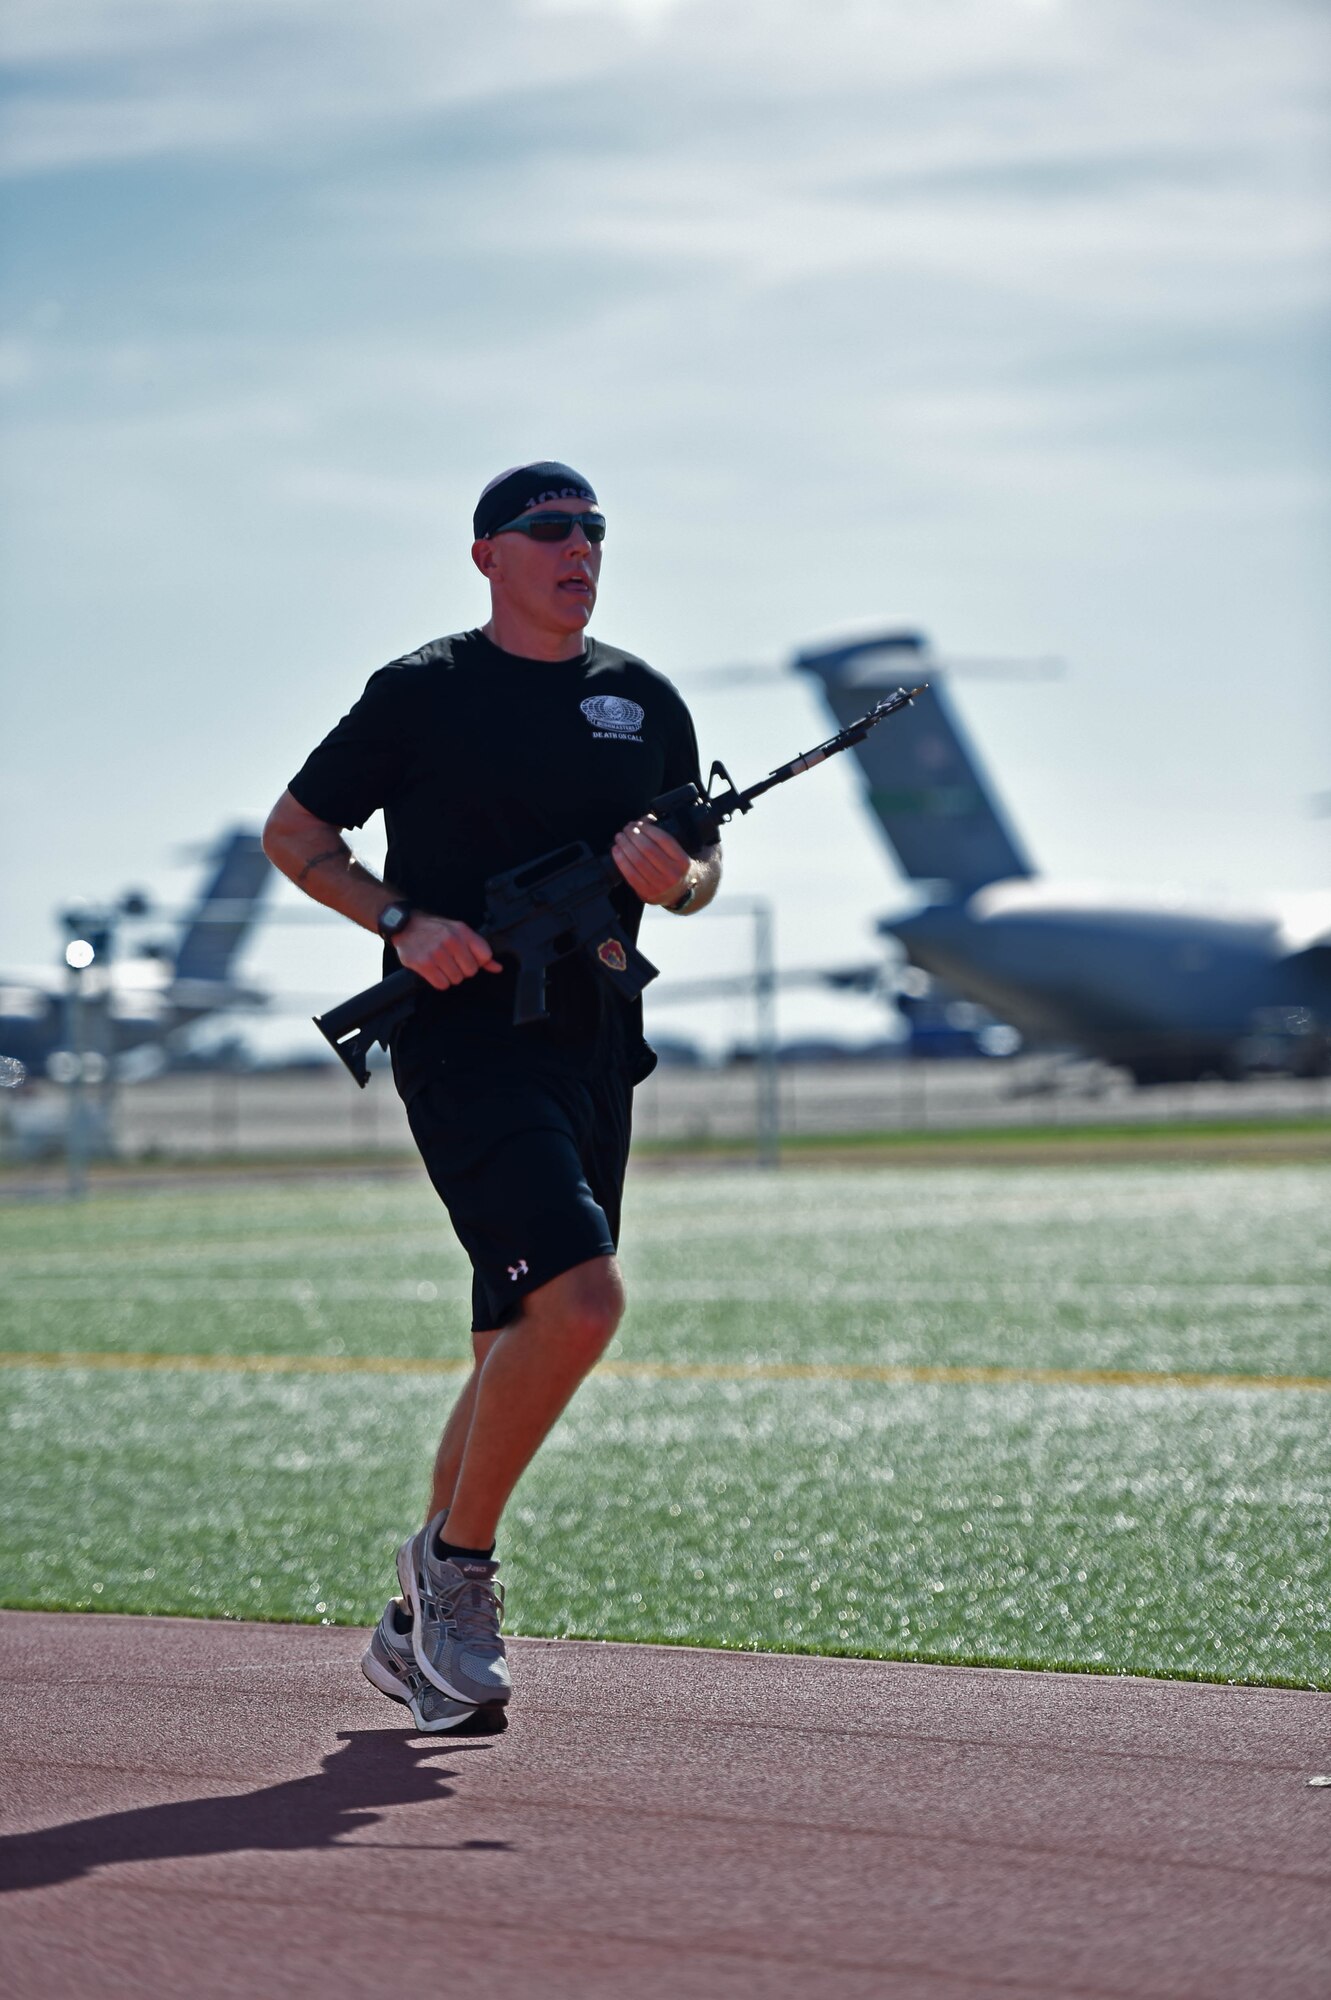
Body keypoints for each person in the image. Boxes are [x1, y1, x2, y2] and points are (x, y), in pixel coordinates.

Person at [263, 461, 720, 1732]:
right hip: (465, 1040)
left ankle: (412, 1635)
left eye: (594, 530)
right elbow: (295, 837)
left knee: (506, 1340)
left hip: (595, 1041)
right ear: (487, 555)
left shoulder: (643, 700)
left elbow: (700, 868)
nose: (579, 548)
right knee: (581, 1300)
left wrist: (675, 878)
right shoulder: (423, 691)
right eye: (550, 529)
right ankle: (454, 1567)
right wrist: (401, 922)